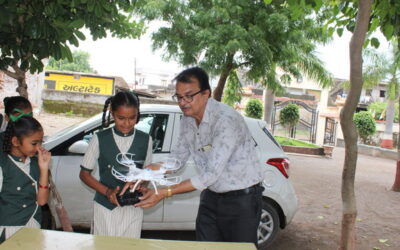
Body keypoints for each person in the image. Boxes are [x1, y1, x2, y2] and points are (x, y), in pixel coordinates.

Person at [126, 67, 264, 245]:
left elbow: (210, 175)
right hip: (211, 196)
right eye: (179, 97)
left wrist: (164, 192)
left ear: (206, 93)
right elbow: (176, 160)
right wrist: (144, 175)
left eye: (189, 96)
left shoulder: (225, 120)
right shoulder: (187, 120)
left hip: (242, 201)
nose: (183, 102)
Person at [79, 91, 152, 238]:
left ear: (138, 114)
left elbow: (147, 173)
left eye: (132, 118)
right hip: (105, 207)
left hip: (133, 207)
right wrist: (107, 192)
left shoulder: (146, 139)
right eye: (121, 118)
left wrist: (142, 185)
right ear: (112, 114)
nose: (127, 123)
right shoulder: (99, 138)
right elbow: (84, 174)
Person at [0, 116, 51, 243]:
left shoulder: (35, 163)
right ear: (16, 141)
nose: (38, 148)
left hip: (33, 223)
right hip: (10, 228)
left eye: (40, 143)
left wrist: (44, 168)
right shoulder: (3, 164)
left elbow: (42, 201)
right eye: (34, 143)